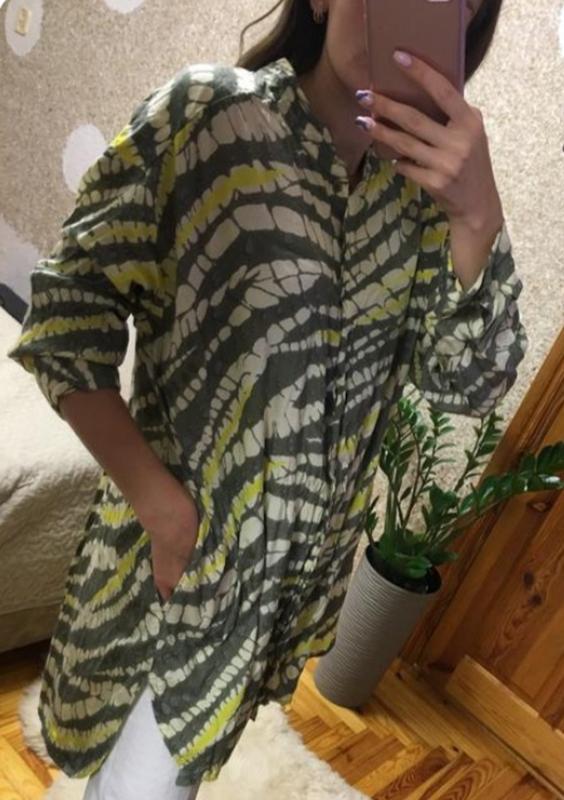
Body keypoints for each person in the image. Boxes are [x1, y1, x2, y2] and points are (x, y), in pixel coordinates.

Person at [7, 0, 528, 797]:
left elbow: (468, 384)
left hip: (285, 591)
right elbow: (65, 317)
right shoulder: (209, 120)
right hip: (175, 564)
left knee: (172, 766)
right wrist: (164, 511)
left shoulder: (430, 199)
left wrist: (478, 218)